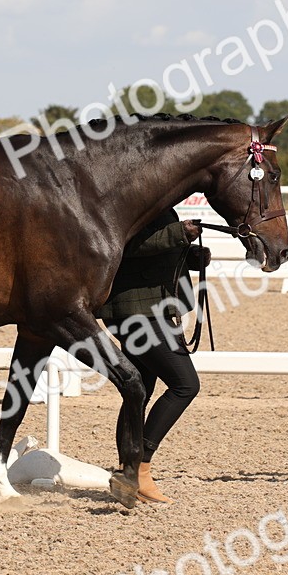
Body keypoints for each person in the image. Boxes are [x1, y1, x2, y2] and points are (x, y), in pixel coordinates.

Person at [96, 208, 210, 504]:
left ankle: (128, 474)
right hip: (139, 313)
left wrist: (188, 254)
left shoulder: (160, 205)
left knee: (139, 391)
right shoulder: (140, 202)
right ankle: (140, 465)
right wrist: (178, 235)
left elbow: (154, 254)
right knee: (185, 385)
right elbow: (127, 244)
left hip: (145, 309)